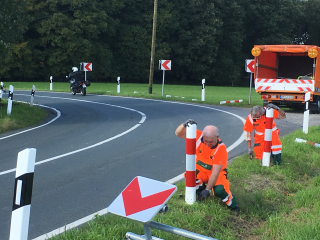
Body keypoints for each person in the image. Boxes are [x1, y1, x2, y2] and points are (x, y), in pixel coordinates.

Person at [175, 120, 239, 211]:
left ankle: (233, 205)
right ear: (203, 136)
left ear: (217, 137)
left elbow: (215, 173)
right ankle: (200, 191)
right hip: (201, 171)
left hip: (216, 174)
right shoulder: (198, 135)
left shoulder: (221, 149)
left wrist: (208, 190)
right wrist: (184, 125)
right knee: (189, 176)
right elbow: (178, 133)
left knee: (220, 190)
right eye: (206, 141)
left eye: (211, 142)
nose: (208, 144)